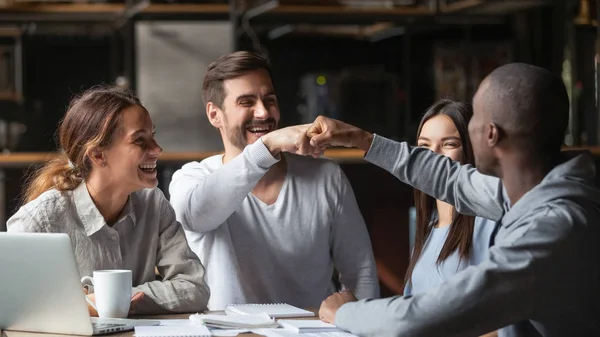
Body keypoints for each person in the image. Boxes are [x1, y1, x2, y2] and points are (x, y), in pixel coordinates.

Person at [310, 63, 600, 336]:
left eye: (474, 117)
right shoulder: (530, 194)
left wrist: (347, 312)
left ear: (490, 134)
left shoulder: (552, 231)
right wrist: (360, 139)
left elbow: (421, 320)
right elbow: (449, 179)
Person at [168, 51, 379, 310]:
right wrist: (267, 146)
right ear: (215, 115)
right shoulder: (192, 177)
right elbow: (196, 216)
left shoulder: (326, 176)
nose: (263, 112)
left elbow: (362, 273)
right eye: (246, 102)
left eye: (270, 100)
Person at [7, 86, 210, 316]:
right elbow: (14, 307)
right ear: (98, 155)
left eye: (153, 136)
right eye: (140, 141)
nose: (157, 149)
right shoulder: (37, 220)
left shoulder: (154, 203)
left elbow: (195, 289)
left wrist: (112, 300)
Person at [406, 99, 497, 297]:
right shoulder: (428, 230)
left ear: (471, 151)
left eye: (449, 144)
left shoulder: (489, 224)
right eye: (424, 145)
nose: (433, 156)